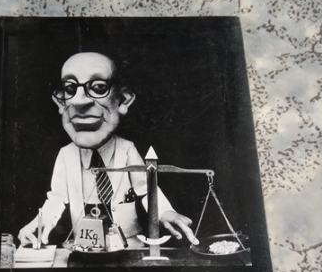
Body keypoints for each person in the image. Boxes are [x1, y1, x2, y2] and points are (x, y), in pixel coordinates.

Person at [18, 51, 198, 249]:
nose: (80, 102)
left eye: (98, 88)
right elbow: (57, 198)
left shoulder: (127, 149)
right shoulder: (66, 155)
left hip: (128, 245)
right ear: (61, 101)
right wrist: (41, 222)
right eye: (70, 88)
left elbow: (147, 190)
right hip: (85, 245)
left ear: (123, 100)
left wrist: (165, 212)